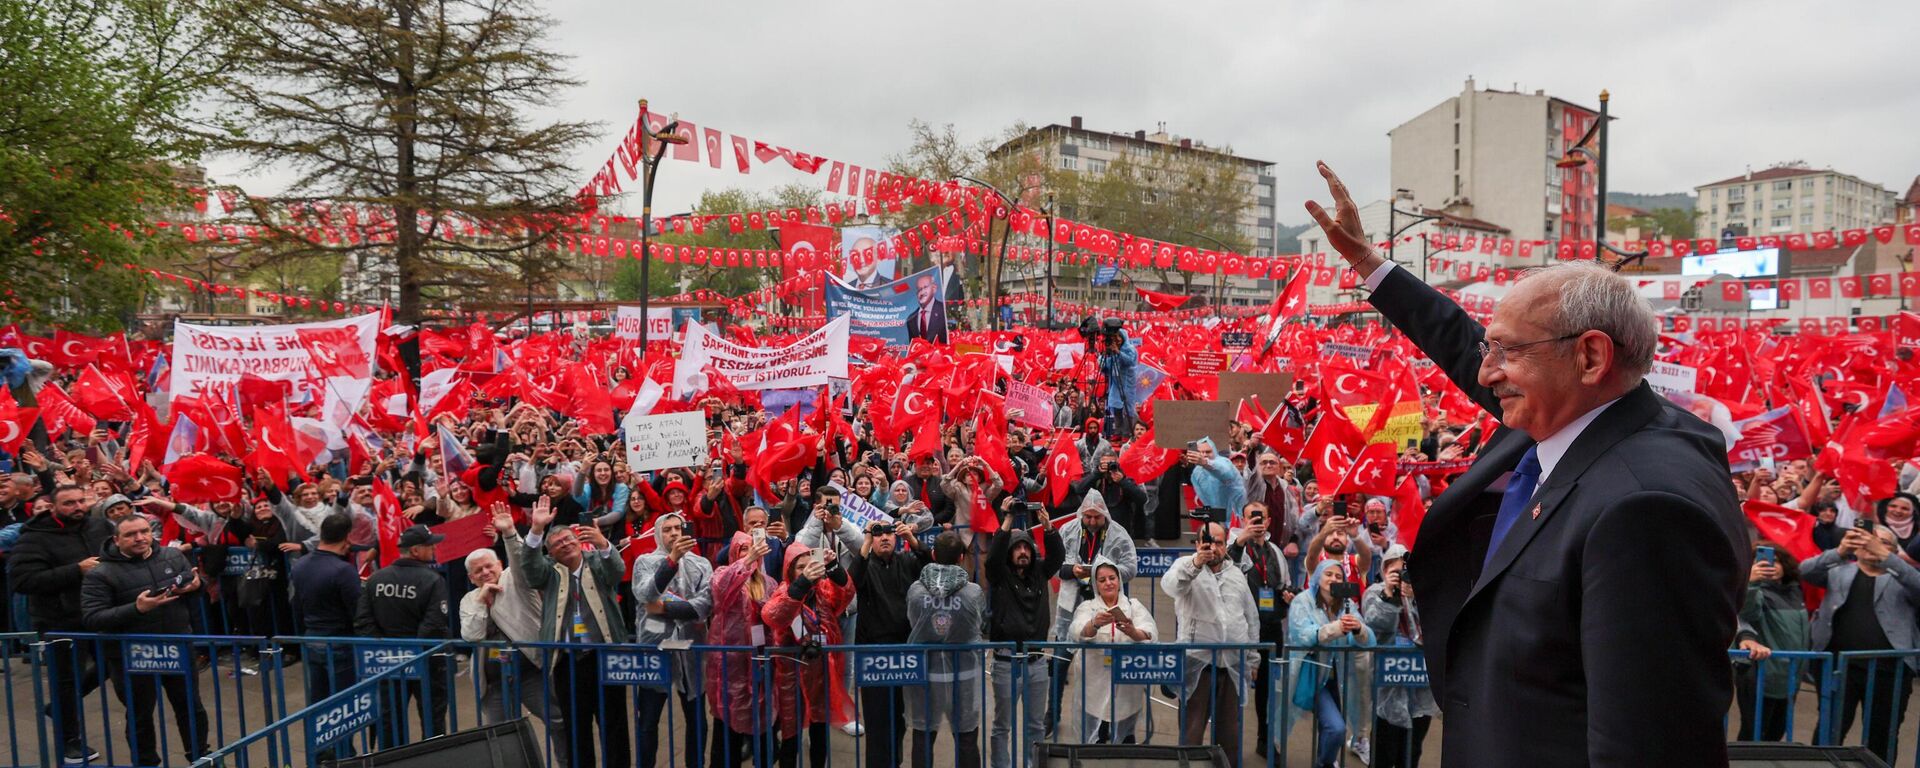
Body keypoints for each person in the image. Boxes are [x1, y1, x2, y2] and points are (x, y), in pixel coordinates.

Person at [1309, 162, 1748, 766]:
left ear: (1591, 356)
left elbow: (1649, 744)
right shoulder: (1571, 413)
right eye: (1492, 350)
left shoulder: (1647, 509)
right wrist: (1368, 264)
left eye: (1508, 351)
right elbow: (1461, 345)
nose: (1487, 374)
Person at [79, 515, 212, 764]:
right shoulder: (100, 573)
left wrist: (197, 586)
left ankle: (200, 756)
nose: (140, 538)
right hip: (131, 655)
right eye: (131, 534)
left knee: (191, 707)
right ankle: (146, 761)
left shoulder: (172, 556)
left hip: (176, 647)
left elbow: (194, 585)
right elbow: (93, 617)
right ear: (116, 540)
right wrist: (137, 609)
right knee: (140, 715)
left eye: (144, 531)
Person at [508, 497, 629, 768]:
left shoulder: (596, 561)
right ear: (551, 552)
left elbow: (617, 571)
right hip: (567, 662)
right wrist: (536, 531)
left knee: (615, 726)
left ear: (578, 541)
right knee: (577, 730)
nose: (565, 544)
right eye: (557, 543)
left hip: (606, 659)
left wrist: (602, 542)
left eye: (568, 539)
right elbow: (529, 571)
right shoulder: (549, 571)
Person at [7, 484, 111, 763]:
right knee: (64, 680)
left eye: (81, 501)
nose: (77, 507)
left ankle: (61, 708)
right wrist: (75, 570)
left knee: (110, 664)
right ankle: (69, 742)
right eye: (69, 503)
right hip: (60, 621)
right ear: (53, 507)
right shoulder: (34, 538)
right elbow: (23, 581)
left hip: (99, 614)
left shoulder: (99, 526)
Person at [460, 506, 571, 761]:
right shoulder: (468, 599)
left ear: (499, 564)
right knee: (502, 738)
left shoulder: (515, 578)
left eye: (489, 566)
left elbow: (523, 562)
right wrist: (480, 601)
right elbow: (471, 635)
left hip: (533, 673)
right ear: (471, 577)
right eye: (479, 571)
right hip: (494, 684)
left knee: (559, 723)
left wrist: (510, 533)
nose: (486, 573)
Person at [1804, 523, 1920, 761]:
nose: (1870, 544)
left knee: (1883, 734)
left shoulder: (1902, 578)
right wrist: (1840, 550)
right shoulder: (1839, 571)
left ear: (1894, 552)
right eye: (1865, 540)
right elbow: (1804, 571)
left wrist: (1887, 557)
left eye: (1881, 541)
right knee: (1829, 730)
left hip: (1889, 670)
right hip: (1839, 667)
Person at [1162, 521, 1260, 768]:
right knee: (1191, 733)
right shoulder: (1185, 566)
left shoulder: (1236, 573)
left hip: (1232, 665)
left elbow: (1250, 617)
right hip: (1198, 665)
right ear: (1197, 544)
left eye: (1219, 542)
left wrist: (1252, 658)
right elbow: (1171, 585)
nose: (1214, 547)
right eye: (1208, 541)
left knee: (1230, 734)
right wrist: (1196, 564)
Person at [1046, 491, 1136, 738]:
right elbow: (1052, 563)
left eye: (1097, 517)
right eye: (1088, 517)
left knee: (1104, 667)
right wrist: (1071, 570)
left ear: (1104, 514)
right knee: (1061, 661)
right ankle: (1051, 714)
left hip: (1106, 606)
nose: (1092, 522)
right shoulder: (1067, 530)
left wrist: (1105, 573)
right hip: (1071, 605)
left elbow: (1131, 566)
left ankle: (1106, 722)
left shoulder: (1118, 533)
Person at [356, 523, 452, 746]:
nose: (434, 549)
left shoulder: (377, 578)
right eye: (430, 546)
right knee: (432, 718)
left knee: (389, 719)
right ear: (416, 550)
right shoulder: (433, 580)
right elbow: (435, 623)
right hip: (426, 659)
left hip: (387, 661)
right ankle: (434, 760)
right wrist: (413, 652)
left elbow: (363, 621)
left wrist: (385, 647)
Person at [629, 512, 712, 768]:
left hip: (690, 649)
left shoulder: (701, 563)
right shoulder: (644, 561)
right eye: (667, 529)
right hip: (655, 650)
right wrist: (672, 560)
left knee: (697, 721)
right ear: (658, 533)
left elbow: (706, 603)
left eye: (678, 528)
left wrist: (663, 607)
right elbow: (645, 594)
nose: (674, 533)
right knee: (648, 722)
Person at [761, 542, 854, 768]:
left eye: (809, 565)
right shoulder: (785, 590)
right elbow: (774, 615)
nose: (805, 571)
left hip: (820, 673)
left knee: (820, 733)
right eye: (799, 567)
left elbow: (845, 595)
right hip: (790, 676)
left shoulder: (822, 590)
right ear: (790, 570)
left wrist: (834, 567)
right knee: (790, 736)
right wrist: (801, 584)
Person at [984, 504, 1063, 768]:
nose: (1022, 552)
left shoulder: (1040, 573)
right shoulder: (1000, 575)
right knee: (1001, 725)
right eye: (1017, 548)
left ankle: (1033, 765)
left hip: (1037, 663)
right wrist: (1007, 518)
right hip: (1007, 663)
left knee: (1036, 726)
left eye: (1026, 548)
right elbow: (992, 558)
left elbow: (1058, 556)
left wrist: (1048, 527)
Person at [1285, 559, 1375, 768]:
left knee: (1330, 729)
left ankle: (1323, 761)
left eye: (1338, 576)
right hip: (1314, 676)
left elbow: (1368, 640)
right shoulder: (1303, 601)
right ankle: (1324, 763)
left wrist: (1358, 629)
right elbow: (1303, 635)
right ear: (1317, 576)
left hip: (1342, 677)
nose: (1333, 579)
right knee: (1336, 729)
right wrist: (1336, 629)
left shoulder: (1348, 604)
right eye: (1328, 574)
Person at [288, 512, 365, 759]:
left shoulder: (300, 565)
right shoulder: (343, 571)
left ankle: (321, 752)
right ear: (346, 540)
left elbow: (296, 606)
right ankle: (344, 753)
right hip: (339, 642)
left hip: (312, 639)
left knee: (318, 702)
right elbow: (357, 612)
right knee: (344, 704)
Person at [849, 516, 924, 768]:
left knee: (899, 720)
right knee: (876, 720)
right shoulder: (865, 563)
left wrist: (912, 539)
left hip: (904, 652)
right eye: (879, 534)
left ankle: (894, 762)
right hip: (874, 654)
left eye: (889, 533)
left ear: (896, 538)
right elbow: (852, 582)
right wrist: (866, 539)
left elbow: (930, 567)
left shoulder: (906, 561)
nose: (884, 537)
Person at [905, 532, 984, 768]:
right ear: (961, 557)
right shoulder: (973, 592)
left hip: (925, 674)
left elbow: (912, 621)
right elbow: (978, 625)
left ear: (932, 555)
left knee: (923, 736)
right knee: (967, 738)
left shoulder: (916, 591)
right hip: (965, 675)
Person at [1227, 501, 1294, 758]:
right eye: (1251, 517)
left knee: (1267, 687)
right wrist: (1240, 541)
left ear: (1268, 521)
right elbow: (1227, 570)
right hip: (1243, 627)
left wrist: (1287, 594)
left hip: (1271, 627)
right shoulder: (1237, 546)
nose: (1257, 522)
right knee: (1234, 685)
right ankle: (1228, 742)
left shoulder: (1275, 550)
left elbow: (1281, 583)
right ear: (1243, 520)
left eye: (1261, 518)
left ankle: (1265, 739)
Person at [1065, 556, 1156, 744]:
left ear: (1119, 580)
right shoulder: (1087, 607)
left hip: (1126, 694)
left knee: (1125, 744)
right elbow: (1076, 631)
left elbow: (1151, 633)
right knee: (1095, 746)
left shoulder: (1133, 606)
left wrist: (1133, 632)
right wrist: (1094, 624)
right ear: (1096, 585)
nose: (1108, 583)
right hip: (1094, 693)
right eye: (1102, 580)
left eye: (1112, 578)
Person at [706, 530, 778, 768]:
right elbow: (720, 589)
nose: (751, 553)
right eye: (744, 549)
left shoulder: (769, 583)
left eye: (753, 548)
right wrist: (747, 562)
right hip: (730, 667)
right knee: (727, 730)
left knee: (764, 725)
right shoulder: (722, 574)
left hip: (762, 665)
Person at [1361, 545, 1436, 768]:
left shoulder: (1425, 594)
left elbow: (1431, 627)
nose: (1403, 576)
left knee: (1411, 752)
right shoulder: (1375, 592)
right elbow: (1376, 622)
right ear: (1385, 569)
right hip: (1388, 683)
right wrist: (1389, 595)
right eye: (1397, 571)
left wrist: (1415, 597)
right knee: (1384, 751)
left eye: (1407, 571)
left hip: (1419, 683)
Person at [1732, 538, 1809, 743]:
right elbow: (1745, 612)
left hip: (1789, 676)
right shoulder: (1755, 592)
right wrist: (1751, 583)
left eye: (1776, 561)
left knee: (1776, 734)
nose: (1770, 567)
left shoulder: (1794, 591)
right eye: (1762, 562)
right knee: (1753, 735)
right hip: (1760, 676)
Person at [906, 274, 949, 344]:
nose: (922, 292)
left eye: (925, 287)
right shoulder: (911, 319)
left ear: (934, 288)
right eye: (919, 289)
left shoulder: (944, 310)